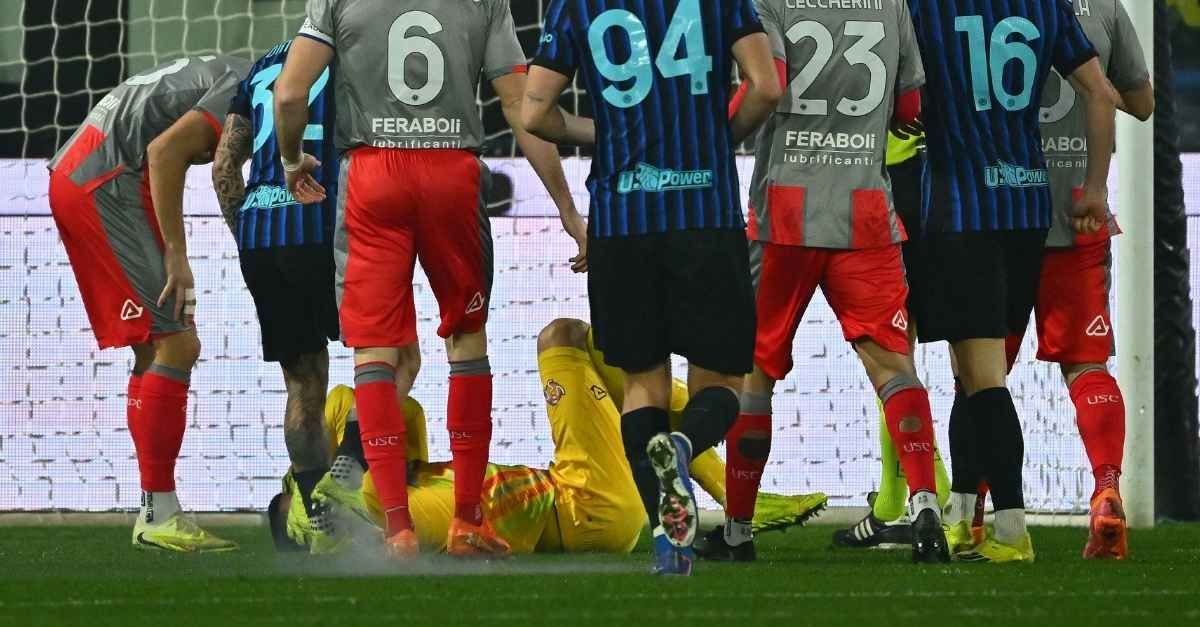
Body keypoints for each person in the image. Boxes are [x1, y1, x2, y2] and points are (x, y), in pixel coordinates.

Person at [273, 0, 585, 559]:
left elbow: (290, 93)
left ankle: (398, 528)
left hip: (372, 177)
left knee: (375, 349)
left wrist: (292, 160)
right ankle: (468, 520)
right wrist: (566, 207)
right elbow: (521, 103)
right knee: (466, 339)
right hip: (452, 176)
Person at [522, 0, 783, 575]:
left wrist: (604, 131)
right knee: (723, 383)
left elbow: (534, 112)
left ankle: (670, 542)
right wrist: (718, 137)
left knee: (643, 386)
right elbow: (766, 86)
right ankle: (683, 447)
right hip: (704, 212)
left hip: (623, 221)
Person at [707, 0, 946, 564]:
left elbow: (765, 86)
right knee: (893, 366)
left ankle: (737, 530)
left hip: (785, 213)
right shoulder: (891, 4)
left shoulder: (770, 2)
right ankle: (926, 507)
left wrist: (713, 140)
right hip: (865, 209)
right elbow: (910, 106)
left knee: (755, 371)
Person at [269, 319, 829, 554]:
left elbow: (385, 410)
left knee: (593, 352)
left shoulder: (392, 484)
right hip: (587, 506)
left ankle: (727, 490)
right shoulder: (390, 508)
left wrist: (321, 474)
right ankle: (734, 493)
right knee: (561, 337)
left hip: (576, 486)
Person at [905, 0, 1120, 563]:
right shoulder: (1045, 5)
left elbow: (903, 105)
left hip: (962, 212)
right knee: (976, 373)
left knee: (982, 377)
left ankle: (1010, 530)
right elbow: (1102, 93)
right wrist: (1096, 189)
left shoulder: (925, 8)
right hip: (1028, 207)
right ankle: (962, 517)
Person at [952, 0, 1152, 561]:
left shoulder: (989, 9)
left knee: (979, 372)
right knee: (1087, 366)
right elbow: (1141, 103)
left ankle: (970, 513)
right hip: (1079, 211)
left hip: (1002, 209)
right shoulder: (1104, 9)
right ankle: (1106, 488)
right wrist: (1095, 94)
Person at [47, 55, 251, 552]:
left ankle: (155, 511)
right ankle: (158, 513)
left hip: (82, 175)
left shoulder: (239, 71)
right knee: (179, 344)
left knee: (156, 348)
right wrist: (176, 253)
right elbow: (164, 153)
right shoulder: (246, 90)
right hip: (104, 184)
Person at [210, 40, 341, 551]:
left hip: (262, 236)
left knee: (303, 384)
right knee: (388, 354)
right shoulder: (352, 54)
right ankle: (358, 479)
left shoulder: (264, 65)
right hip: (328, 227)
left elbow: (224, 168)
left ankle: (317, 517)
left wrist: (247, 234)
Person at [831, 130, 954, 551]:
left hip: (886, 177)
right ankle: (904, 500)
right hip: (943, 181)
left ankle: (919, 497)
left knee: (892, 356)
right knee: (912, 357)